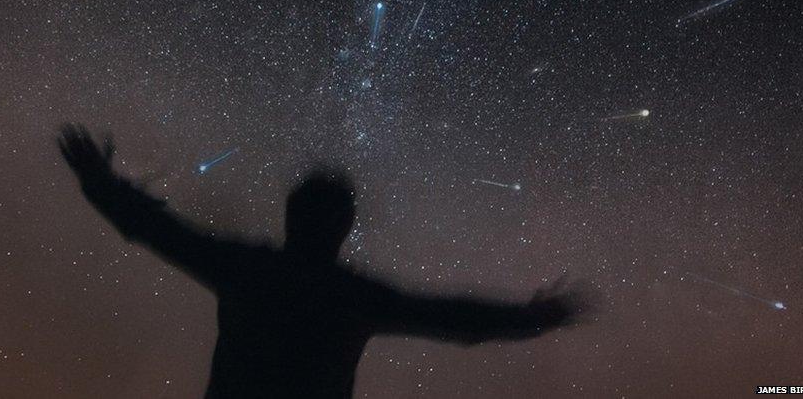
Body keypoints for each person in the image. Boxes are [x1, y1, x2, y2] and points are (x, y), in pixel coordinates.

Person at [58, 124, 592, 398]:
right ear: (344, 229)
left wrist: (99, 182)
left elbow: (156, 230)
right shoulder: (354, 299)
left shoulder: (247, 270)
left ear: (291, 216)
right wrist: (532, 319)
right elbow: (454, 319)